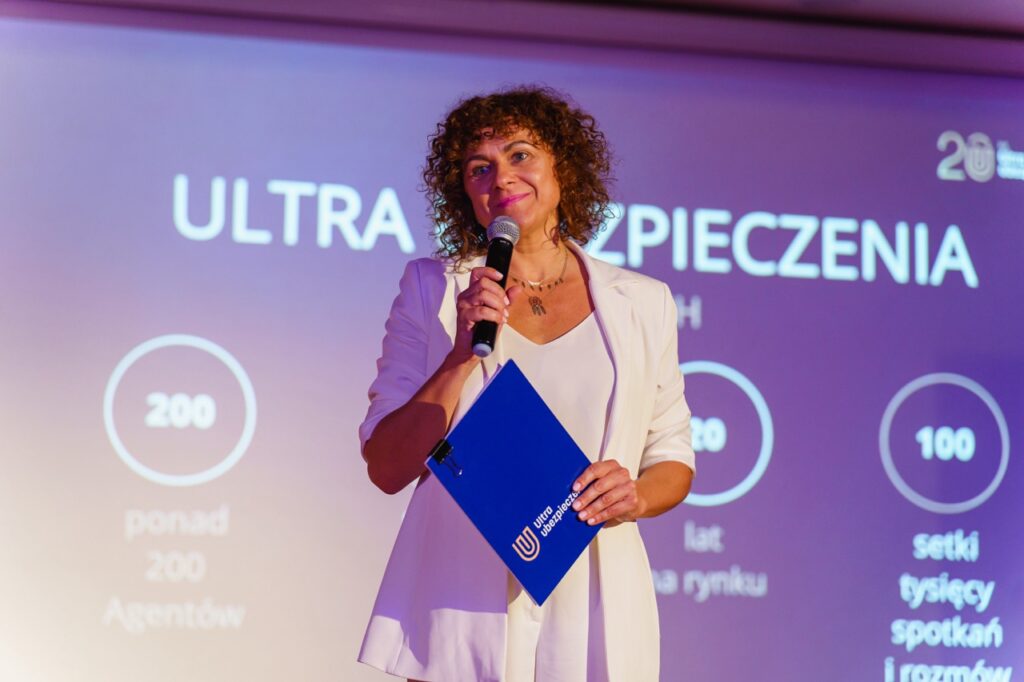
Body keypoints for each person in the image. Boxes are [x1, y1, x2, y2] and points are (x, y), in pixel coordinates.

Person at [358, 86, 695, 682]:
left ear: (563, 168)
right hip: (460, 602)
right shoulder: (432, 290)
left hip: (591, 601)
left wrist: (636, 497)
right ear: (465, 193)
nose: (501, 177)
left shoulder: (643, 302)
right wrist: (459, 355)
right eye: (478, 168)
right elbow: (386, 467)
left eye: (520, 155)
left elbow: (672, 456)